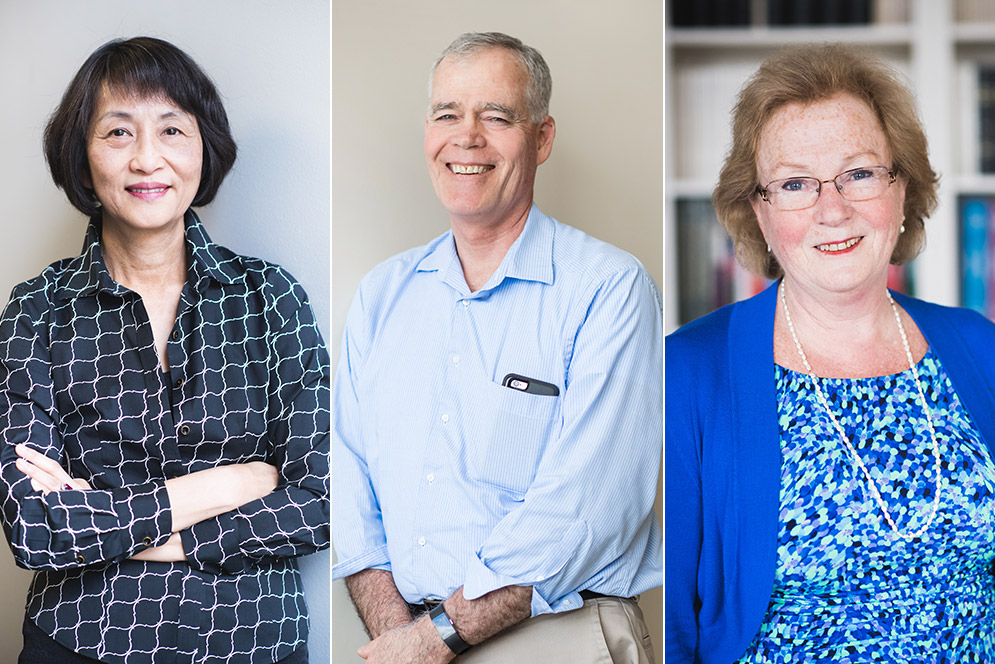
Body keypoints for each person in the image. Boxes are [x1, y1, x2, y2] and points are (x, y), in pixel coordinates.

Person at [333, 31, 661, 663]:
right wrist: (399, 637)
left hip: (560, 634)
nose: (467, 136)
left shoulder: (609, 288)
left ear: (541, 138)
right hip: (404, 643)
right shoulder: (381, 296)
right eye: (447, 114)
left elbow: (591, 507)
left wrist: (438, 638)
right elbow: (351, 490)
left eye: (498, 116)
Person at [0, 37, 330, 663]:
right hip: (81, 642)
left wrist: (114, 525)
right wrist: (236, 483)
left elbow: (320, 504)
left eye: (172, 130)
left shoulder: (271, 296)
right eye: (118, 133)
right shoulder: (35, 309)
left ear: (204, 149)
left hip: (253, 643)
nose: (147, 159)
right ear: (82, 155)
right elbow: (37, 530)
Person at [666, 42, 995, 663]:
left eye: (861, 173)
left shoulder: (981, 346)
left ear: (902, 191)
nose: (833, 209)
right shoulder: (685, 374)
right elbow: (675, 628)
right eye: (794, 183)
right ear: (760, 214)